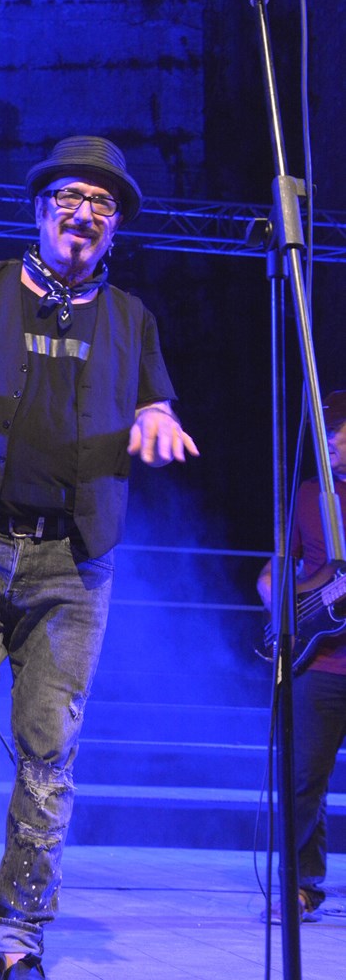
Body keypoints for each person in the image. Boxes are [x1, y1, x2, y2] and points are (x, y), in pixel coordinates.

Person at [0, 135, 199, 980]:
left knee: (48, 753)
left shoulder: (130, 318)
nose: (85, 211)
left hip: (74, 563)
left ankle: (17, 938)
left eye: (102, 202)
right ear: (39, 209)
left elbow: (156, 403)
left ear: (114, 226)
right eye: (70, 195)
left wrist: (158, 418)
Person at [257, 390, 346, 924]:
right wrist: (286, 615)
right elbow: (273, 573)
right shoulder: (311, 494)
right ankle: (301, 887)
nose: (330, 440)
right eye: (327, 431)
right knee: (304, 780)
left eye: (339, 431)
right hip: (320, 664)